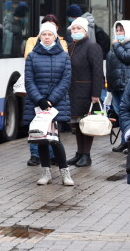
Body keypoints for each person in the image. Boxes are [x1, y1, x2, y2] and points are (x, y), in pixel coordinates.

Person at [24, 22, 74, 186]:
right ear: (40, 36)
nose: (46, 37)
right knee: (41, 138)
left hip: (55, 104)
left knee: (55, 138)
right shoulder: (32, 56)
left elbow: (65, 80)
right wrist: (40, 100)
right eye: (44, 34)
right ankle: (45, 173)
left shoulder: (64, 55)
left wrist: (50, 100)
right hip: (37, 103)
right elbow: (29, 81)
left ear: (55, 36)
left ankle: (65, 172)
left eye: (49, 34)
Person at [66, 16, 105, 167]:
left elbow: (97, 72)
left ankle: (86, 155)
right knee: (77, 125)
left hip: (87, 93)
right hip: (73, 92)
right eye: (73, 29)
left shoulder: (92, 46)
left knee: (87, 125)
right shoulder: (71, 46)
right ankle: (79, 153)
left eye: (78, 29)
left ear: (85, 31)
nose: (75, 31)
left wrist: (96, 94)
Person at [106, 20, 130, 152]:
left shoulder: (118, 46)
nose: (119, 33)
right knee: (121, 115)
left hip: (126, 85)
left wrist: (116, 46)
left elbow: (126, 57)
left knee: (126, 113)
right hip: (116, 86)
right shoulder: (116, 46)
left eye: (122, 30)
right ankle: (124, 140)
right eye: (117, 30)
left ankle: (127, 140)